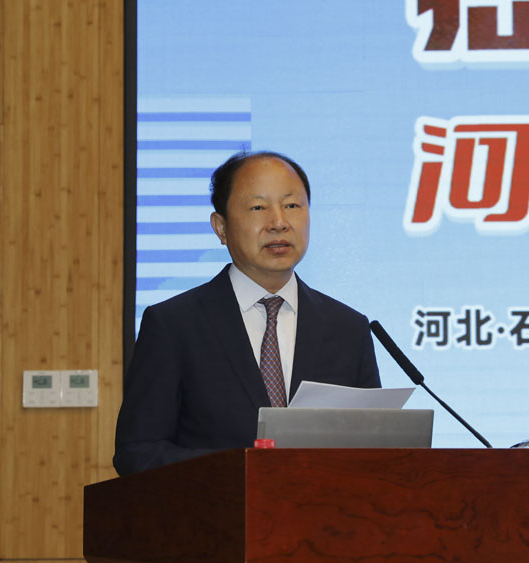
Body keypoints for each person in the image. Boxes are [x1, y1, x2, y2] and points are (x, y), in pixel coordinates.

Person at [113, 151, 381, 475]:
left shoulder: (348, 329)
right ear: (221, 227)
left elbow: (376, 450)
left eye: (292, 205)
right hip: (218, 506)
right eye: (258, 207)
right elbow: (137, 452)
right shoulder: (173, 326)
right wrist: (242, 471)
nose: (279, 222)